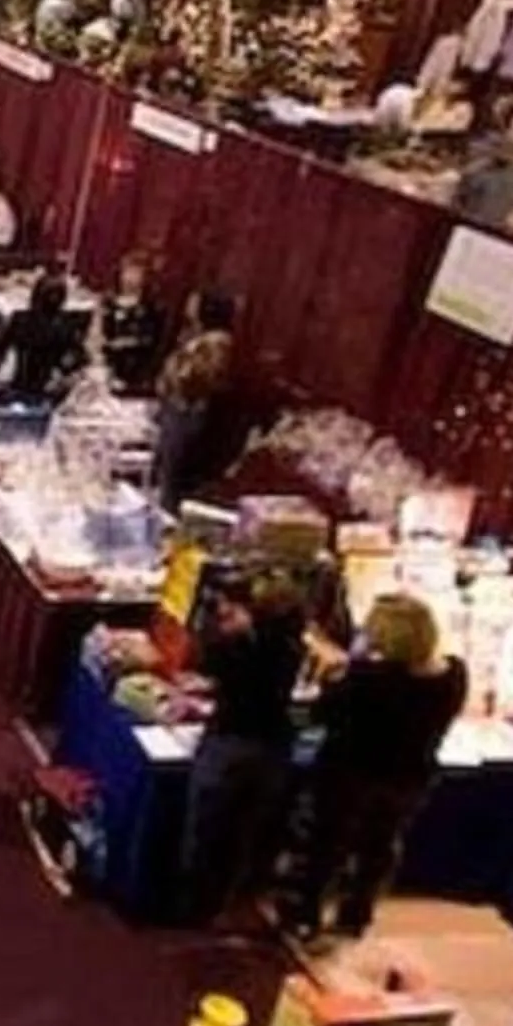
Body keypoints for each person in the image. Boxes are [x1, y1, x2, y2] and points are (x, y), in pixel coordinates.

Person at [277, 593, 468, 943]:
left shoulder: (367, 679)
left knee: (326, 846)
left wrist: (335, 678)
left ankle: (305, 915)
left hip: (349, 778)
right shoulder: (454, 674)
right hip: (409, 780)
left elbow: (322, 716)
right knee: (379, 849)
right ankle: (356, 915)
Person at [180, 572, 306, 923]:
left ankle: (196, 903)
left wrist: (221, 627)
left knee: (207, 826)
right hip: (274, 746)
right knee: (246, 829)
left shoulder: (238, 647)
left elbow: (206, 662)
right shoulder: (294, 647)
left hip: (233, 740)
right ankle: (229, 898)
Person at [155, 290, 237, 498]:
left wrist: (176, 367)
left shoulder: (216, 342)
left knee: (172, 471)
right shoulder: (198, 337)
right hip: (178, 408)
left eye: (195, 303)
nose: (188, 307)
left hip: (186, 411)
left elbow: (194, 378)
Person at [0, 273, 82, 404]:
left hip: (21, 384)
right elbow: (78, 356)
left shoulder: (20, 320)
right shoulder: (66, 324)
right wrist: (63, 372)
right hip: (50, 386)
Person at [100, 254, 167, 394]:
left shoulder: (152, 306)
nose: (129, 277)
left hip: (136, 371)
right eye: (127, 272)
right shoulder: (109, 301)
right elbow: (102, 332)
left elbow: (152, 340)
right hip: (107, 367)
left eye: (136, 273)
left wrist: (125, 343)